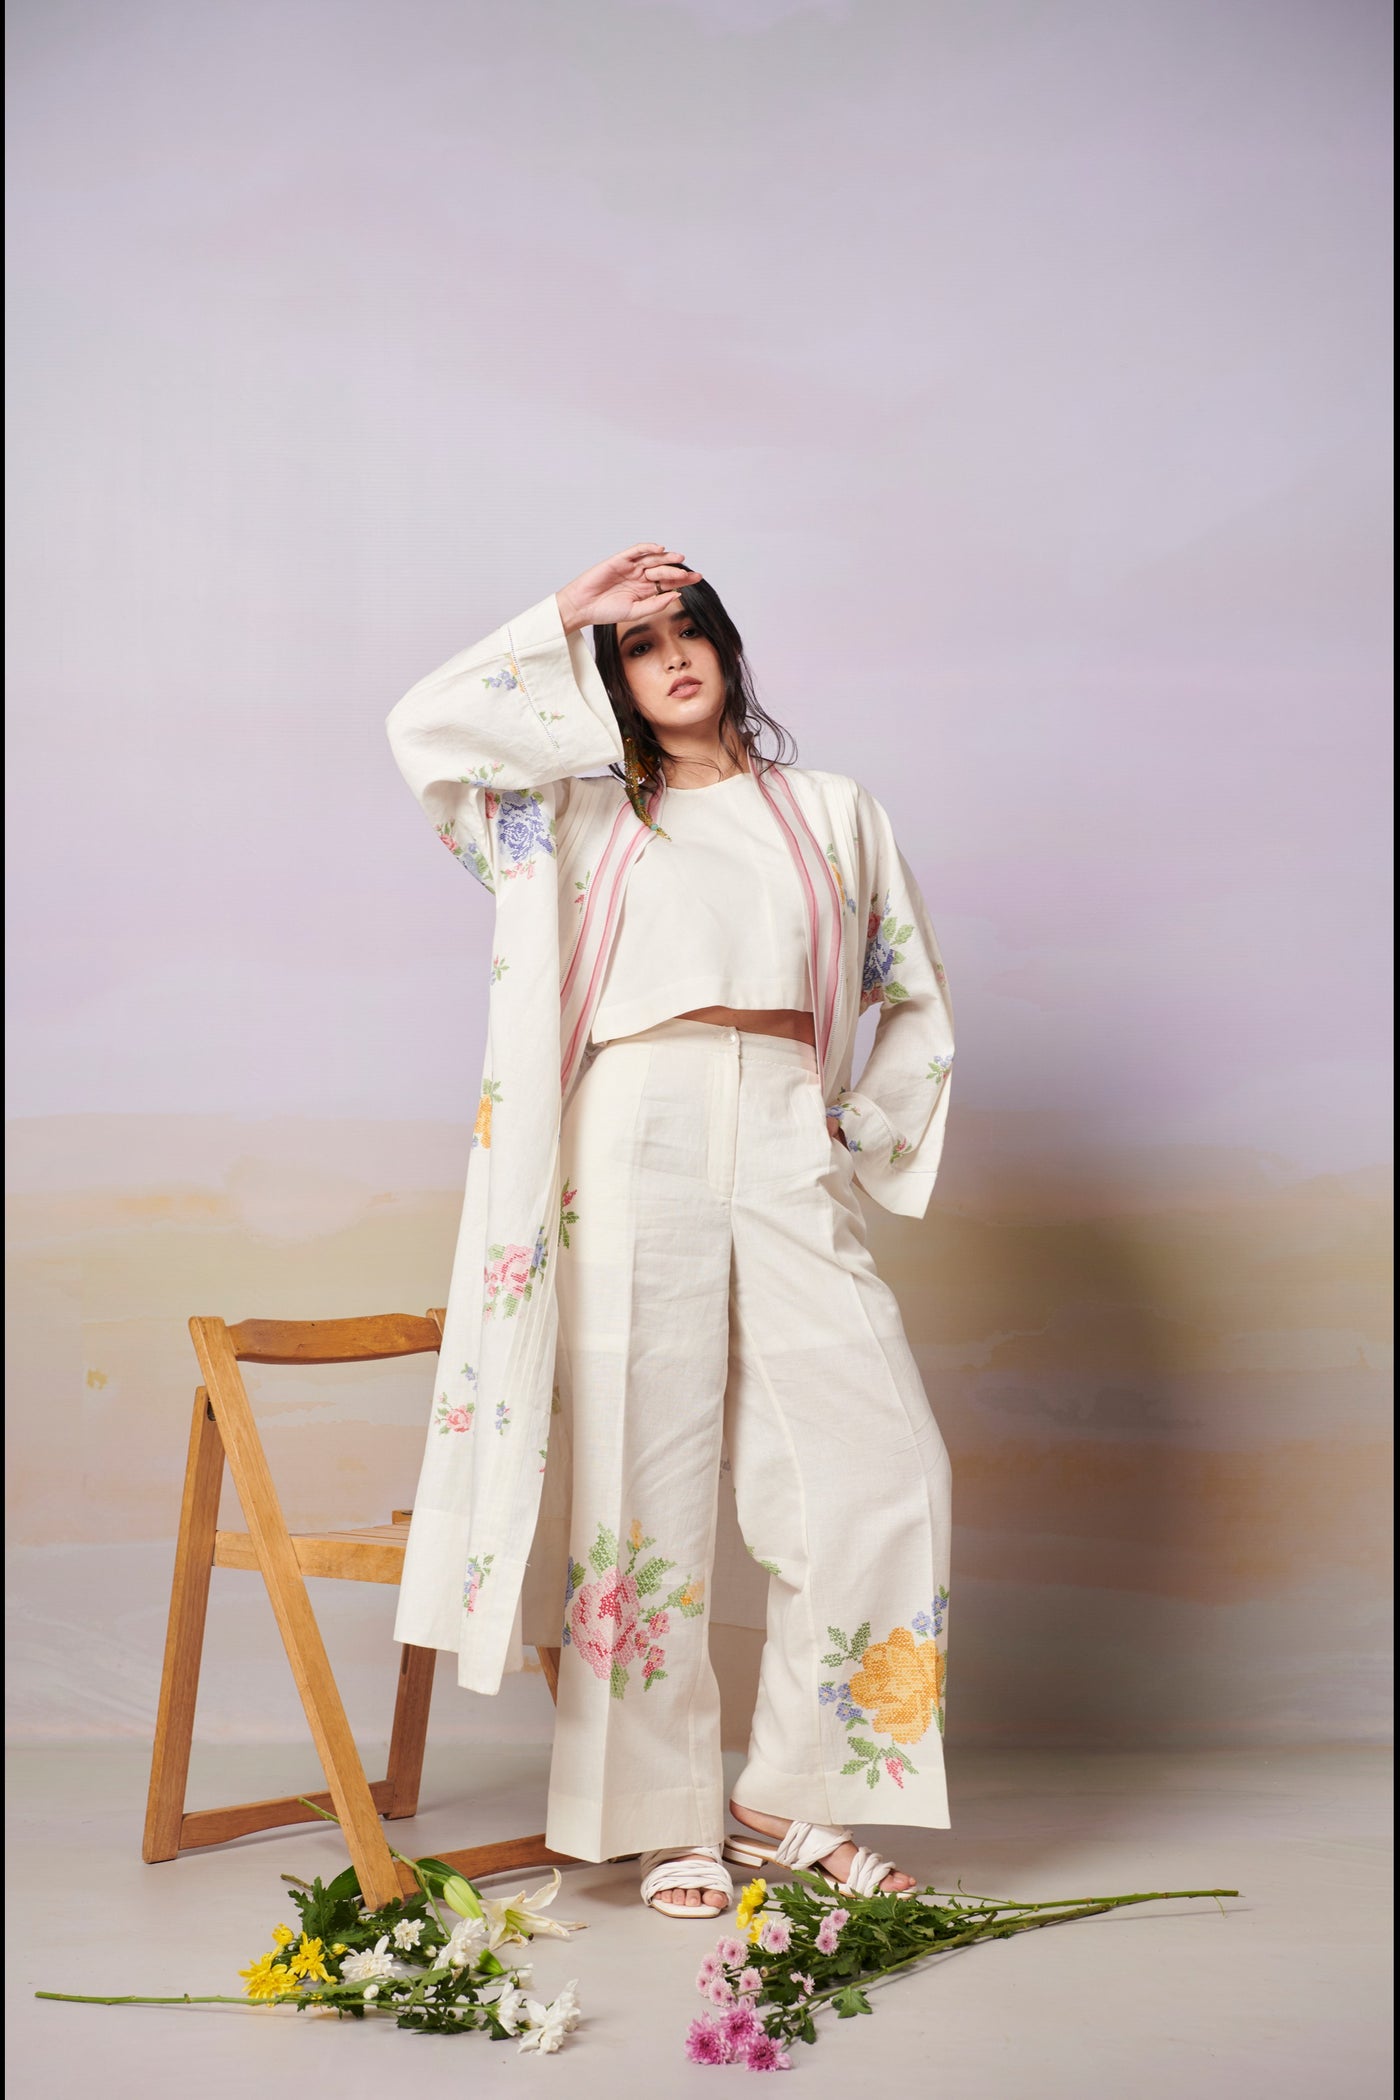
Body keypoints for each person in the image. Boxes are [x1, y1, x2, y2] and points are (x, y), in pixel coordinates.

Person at [386, 542, 955, 1917]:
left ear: (728, 650)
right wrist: (566, 613)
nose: (672, 655)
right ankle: (659, 1815)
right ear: (610, 679)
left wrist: (851, 1125)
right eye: (639, 644)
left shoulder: (833, 812)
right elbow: (428, 735)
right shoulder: (576, 819)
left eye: (688, 629)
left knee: (883, 1464)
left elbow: (912, 998)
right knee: (640, 1476)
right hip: (631, 1120)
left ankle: (788, 1796)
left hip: (787, 1114)